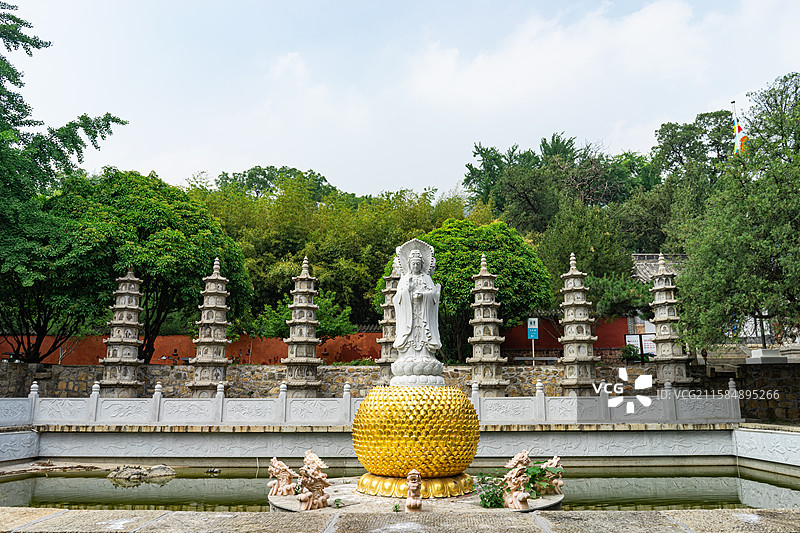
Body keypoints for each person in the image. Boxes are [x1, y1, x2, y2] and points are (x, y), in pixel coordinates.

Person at [393, 249, 441, 357]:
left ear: (422, 265)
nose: (415, 266)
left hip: (424, 313)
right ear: (409, 264)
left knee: (424, 336)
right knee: (410, 337)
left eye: (418, 264)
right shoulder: (405, 279)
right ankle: (408, 356)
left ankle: (425, 356)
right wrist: (407, 291)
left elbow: (433, 295)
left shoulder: (427, 278)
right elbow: (397, 299)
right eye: (413, 263)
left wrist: (424, 296)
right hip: (409, 314)